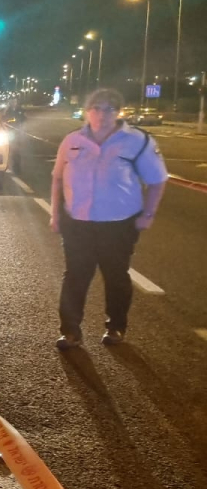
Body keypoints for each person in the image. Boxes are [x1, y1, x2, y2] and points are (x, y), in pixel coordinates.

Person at [50, 89, 167, 350]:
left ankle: (116, 327)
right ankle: (70, 332)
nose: (102, 114)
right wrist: (55, 214)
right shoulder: (72, 140)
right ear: (87, 111)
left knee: (116, 276)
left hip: (119, 224)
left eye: (109, 109)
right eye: (97, 108)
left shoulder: (137, 141)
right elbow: (57, 178)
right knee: (75, 276)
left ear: (118, 112)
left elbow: (157, 180)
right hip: (78, 222)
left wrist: (148, 214)